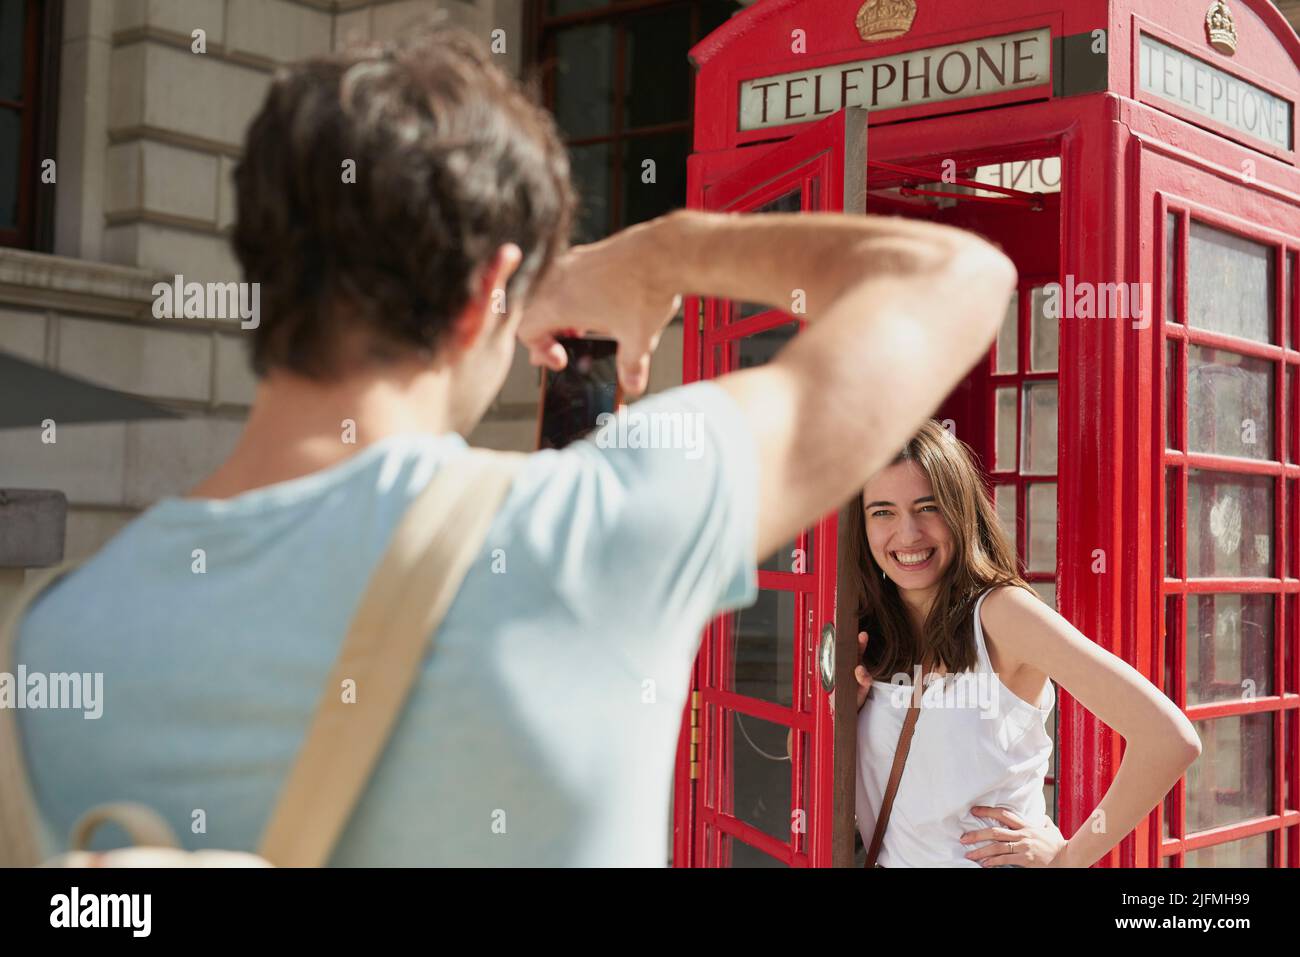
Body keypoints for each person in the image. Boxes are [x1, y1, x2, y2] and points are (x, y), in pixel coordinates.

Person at [12, 24, 1015, 865]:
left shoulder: (47, 636)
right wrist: (662, 250)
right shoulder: (588, 527)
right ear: (495, 289)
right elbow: (956, 278)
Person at [841, 421, 1201, 867]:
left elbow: (1170, 738)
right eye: (883, 512)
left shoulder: (1001, 615)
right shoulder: (863, 630)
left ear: (960, 511)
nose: (908, 533)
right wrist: (840, 714)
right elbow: (811, 770)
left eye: (927, 507)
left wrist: (1068, 859)